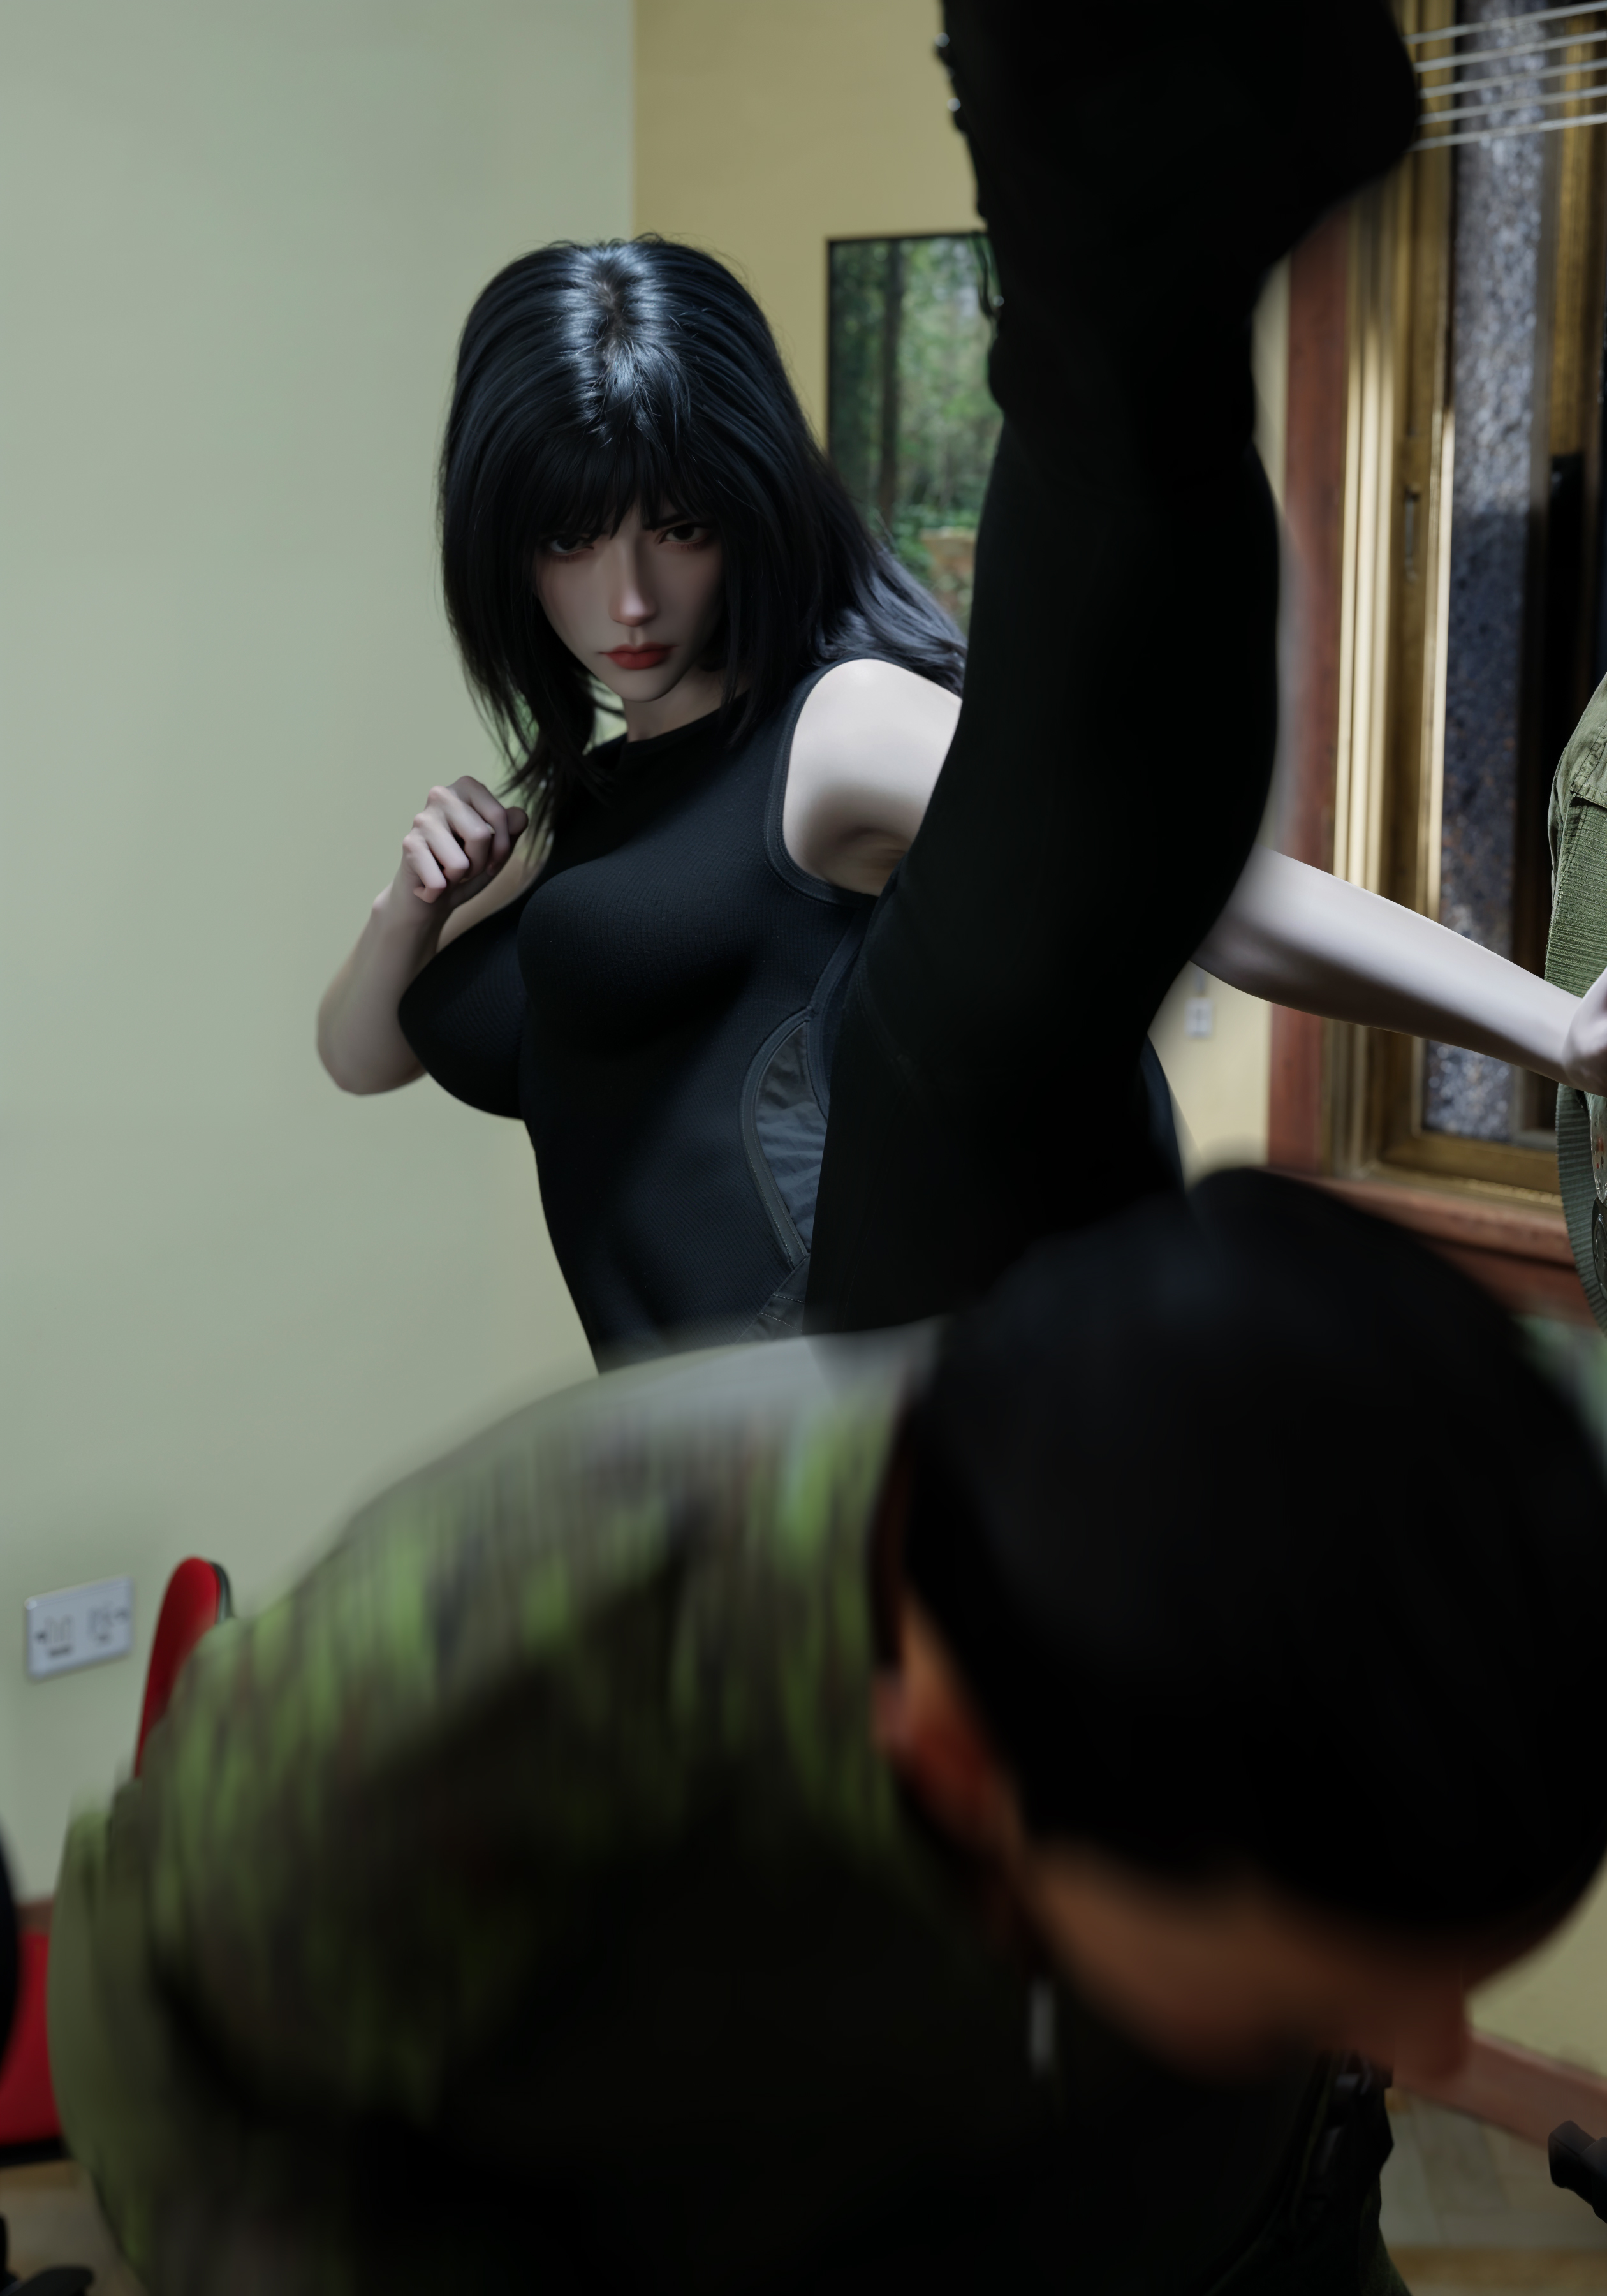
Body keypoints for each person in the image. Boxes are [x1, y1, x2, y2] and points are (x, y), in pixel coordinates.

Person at [48, 1169, 1607, 2295]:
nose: (1434, 2055)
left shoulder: (1473, 1488)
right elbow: (168, 2046)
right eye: (1314, 1994)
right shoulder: (473, 1692)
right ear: (955, 1766)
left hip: (1213, 2213)